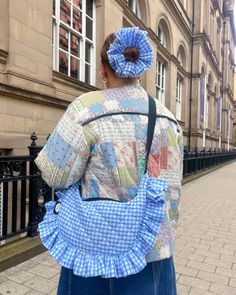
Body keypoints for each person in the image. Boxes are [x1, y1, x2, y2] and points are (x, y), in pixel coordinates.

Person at [35, 27, 183, 295]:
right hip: (153, 252)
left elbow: (54, 174)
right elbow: (172, 186)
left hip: (94, 252)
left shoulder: (87, 109)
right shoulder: (169, 118)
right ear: (140, 68)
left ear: (103, 69)